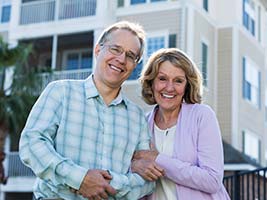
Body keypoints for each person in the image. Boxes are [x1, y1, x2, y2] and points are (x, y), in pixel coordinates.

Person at [19, 21, 155, 200]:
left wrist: (107, 184)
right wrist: (79, 179)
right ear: (98, 50)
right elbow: (32, 144)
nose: (121, 59)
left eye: (131, 56)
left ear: (134, 65)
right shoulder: (60, 92)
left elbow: (147, 179)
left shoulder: (136, 117)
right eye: (115, 49)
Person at [131, 48, 230, 199]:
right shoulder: (142, 124)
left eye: (178, 81)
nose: (169, 88)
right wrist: (134, 167)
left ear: (187, 86)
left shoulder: (202, 116)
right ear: (151, 82)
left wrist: (157, 159)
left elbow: (212, 180)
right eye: (162, 79)